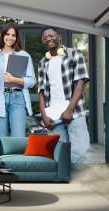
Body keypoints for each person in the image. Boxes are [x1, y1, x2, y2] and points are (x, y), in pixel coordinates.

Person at [38, 27, 90, 164]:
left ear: (58, 36)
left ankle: (77, 180)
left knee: (80, 151)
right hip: (53, 116)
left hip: (74, 111)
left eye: (51, 35)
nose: (49, 38)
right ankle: (66, 179)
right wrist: (43, 115)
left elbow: (80, 82)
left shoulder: (74, 54)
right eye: (45, 37)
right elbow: (41, 92)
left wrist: (69, 110)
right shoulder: (43, 62)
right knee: (58, 152)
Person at [0, 23, 36, 137]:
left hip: (17, 99)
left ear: (17, 38)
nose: (10, 38)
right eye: (7, 34)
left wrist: (14, 79)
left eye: (13, 35)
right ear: (2, 35)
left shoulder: (23, 55)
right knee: (1, 140)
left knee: (18, 140)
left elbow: (32, 81)